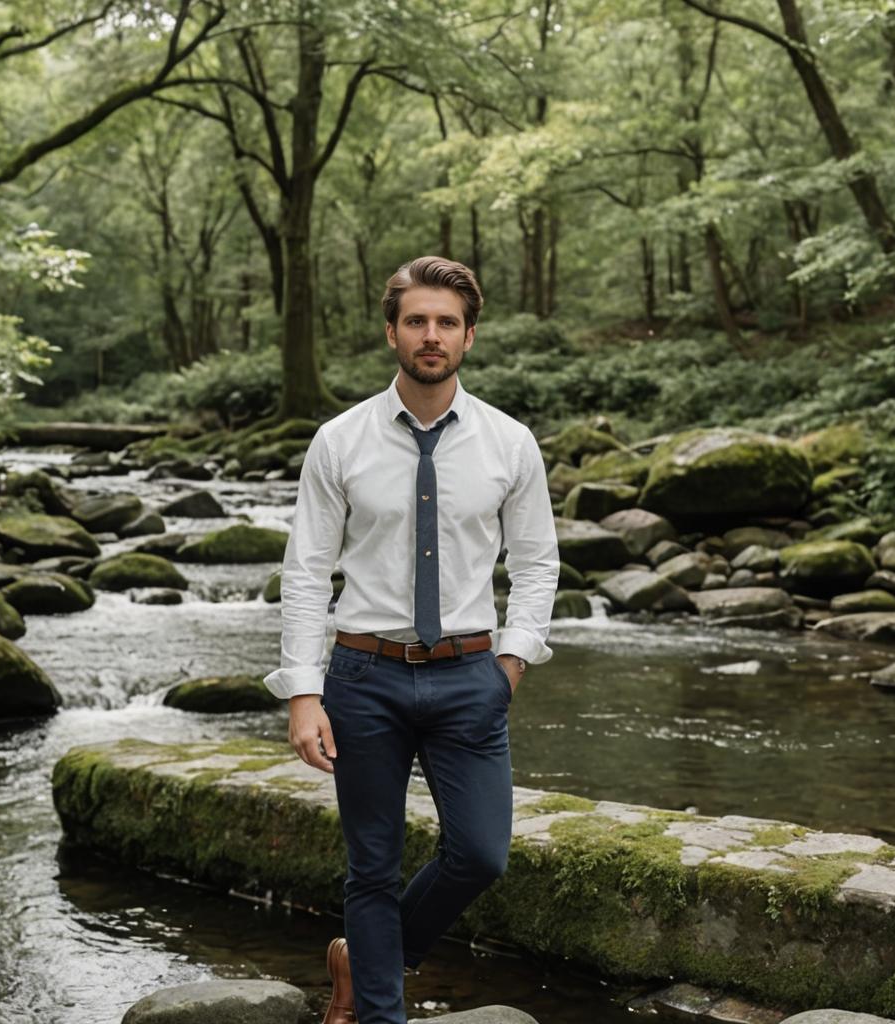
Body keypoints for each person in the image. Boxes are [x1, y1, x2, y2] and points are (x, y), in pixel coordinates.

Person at [263, 255, 559, 1024]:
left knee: (480, 855)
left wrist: (511, 665)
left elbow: (536, 565)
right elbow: (306, 572)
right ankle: (377, 1014)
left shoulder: (509, 443)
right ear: (391, 330)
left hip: (471, 677)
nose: (432, 336)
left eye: (447, 323)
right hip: (364, 677)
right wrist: (302, 693)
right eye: (418, 321)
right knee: (371, 867)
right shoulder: (339, 441)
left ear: (468, 336)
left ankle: (368, 960)